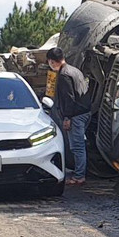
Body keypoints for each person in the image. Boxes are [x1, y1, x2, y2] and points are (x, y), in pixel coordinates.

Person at [46, 46, 92, 186]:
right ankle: (80, 172)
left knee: (77, 147)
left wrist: (67, 118)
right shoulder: (74, 70)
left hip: (76, 115)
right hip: (85, 111)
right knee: (79, 146)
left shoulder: (64, 75)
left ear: (52, 61)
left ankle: (79, 176)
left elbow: (69, 99)